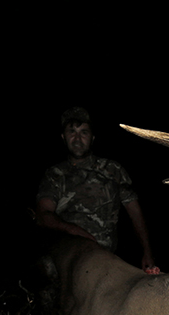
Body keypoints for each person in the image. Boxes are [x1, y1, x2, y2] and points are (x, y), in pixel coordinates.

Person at [35, 107, 158, 273]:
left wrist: (147, 252)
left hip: (106, 259)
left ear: (92, 138)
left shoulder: (113, 169)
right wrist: (73, 230)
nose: (77, 138)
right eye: (72, 131)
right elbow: (43, 215)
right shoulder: (55, 174)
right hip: (66, 259)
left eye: (84, 132)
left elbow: (134, 212)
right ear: (63, 137)